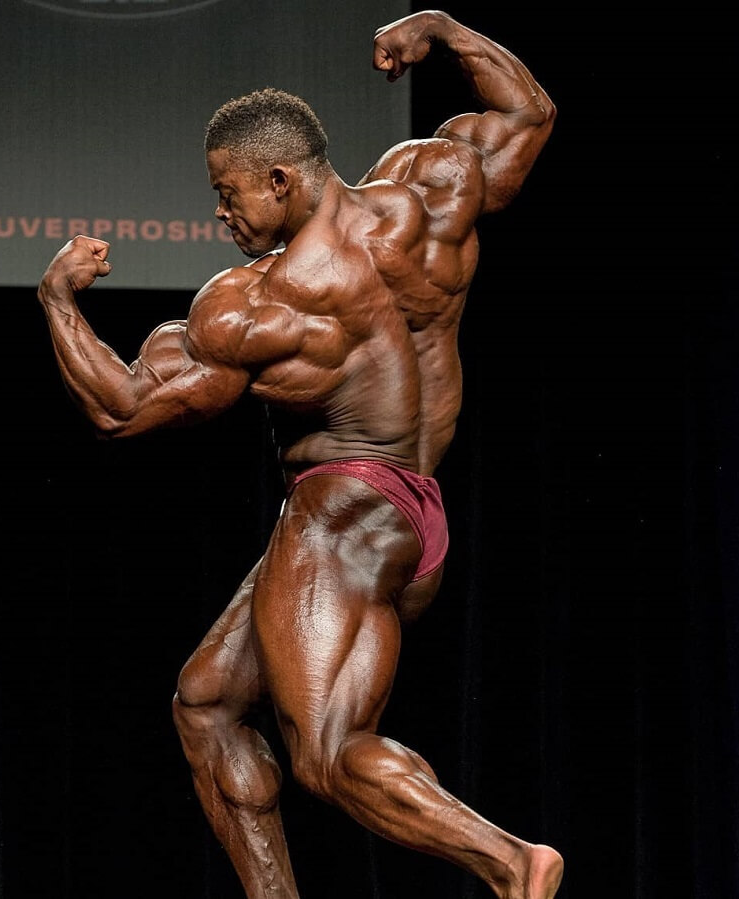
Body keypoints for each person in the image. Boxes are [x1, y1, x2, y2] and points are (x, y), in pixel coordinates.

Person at [37, 9, 560, 898]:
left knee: (323, 754)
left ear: (279, 178)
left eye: (228, 192)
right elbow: (526, 116)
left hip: (341, 510)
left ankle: (512, 865)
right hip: (414, 516)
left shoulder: (260, 303)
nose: (220, 212)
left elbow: (122, 411)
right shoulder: (424, 197)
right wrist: (440, 29)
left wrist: (55, 298)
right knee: (206, 704)